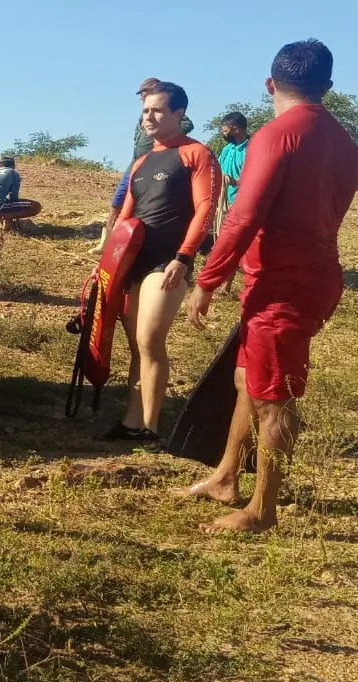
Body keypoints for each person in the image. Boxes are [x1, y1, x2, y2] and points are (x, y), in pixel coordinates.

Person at [182, 40, 358, 534]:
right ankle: (225, 477)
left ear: (269, 84)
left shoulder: (275, 135)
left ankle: (262, 510)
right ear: (326, 87)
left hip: (283, 285)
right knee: (248, 379)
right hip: (313, 275)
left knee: (274, 397)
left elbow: (243, 216)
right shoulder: (348, 144)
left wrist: (208, 279)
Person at [104, 81, 220, 448]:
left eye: (157, 110)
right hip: (133, 264)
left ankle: (151, 431)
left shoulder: (196, 154)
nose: (148, 117)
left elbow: (205, 209)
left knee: (150, 341)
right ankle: (131, 421)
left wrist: (184, 258)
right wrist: (108, 266)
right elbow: (124, 219)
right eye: (144, 111)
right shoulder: (140, 161)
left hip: (167, 263)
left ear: (178, 113)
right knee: (136, 348)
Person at [92, 78, 196, 254]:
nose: (142, 96)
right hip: (136, 162)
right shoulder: (144, 115)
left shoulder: (171, 115)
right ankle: (108, 240)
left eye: (145, 91)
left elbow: (187, 124)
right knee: (118, 200)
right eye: (141, 94)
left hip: (157, 161)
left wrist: (163, 140)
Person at [217, 112, 250, 210]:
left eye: (226, 131)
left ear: (236, 129)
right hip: (224, 204)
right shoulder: (227, 149)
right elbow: (216, 169)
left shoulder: (251, 149)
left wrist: (234, 182)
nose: (224, 134)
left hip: (243, 204)